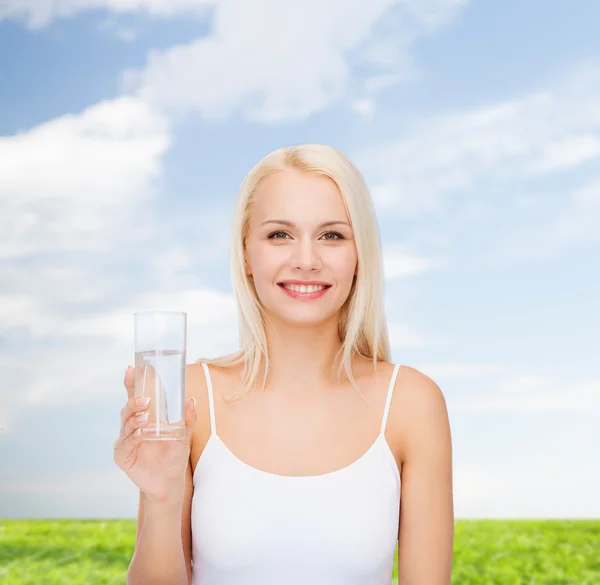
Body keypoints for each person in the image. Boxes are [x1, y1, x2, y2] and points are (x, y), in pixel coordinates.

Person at [114, 144, 454, 585]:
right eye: (279, 235)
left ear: (359, 256)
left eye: (332, 235)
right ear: (246, 255)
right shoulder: (190, 398)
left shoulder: (411, 404)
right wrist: (159, 498)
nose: (306, 260)